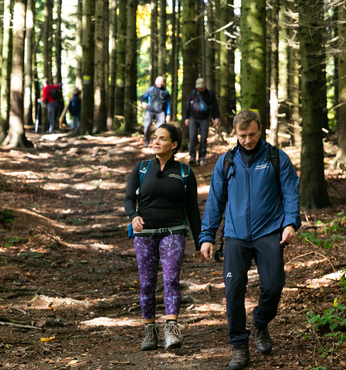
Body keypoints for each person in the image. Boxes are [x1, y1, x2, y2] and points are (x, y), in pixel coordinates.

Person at [198, 109, 300, 370]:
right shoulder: (226, 162)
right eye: (242, 135)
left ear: (261, 129)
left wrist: (290, 223)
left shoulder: (277, 157)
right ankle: (239, 347)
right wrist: (207, 237)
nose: (247, 140)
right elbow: (215, 202)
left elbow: (290, 193)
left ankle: (260, 323)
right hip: (235, 237)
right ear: (235, 133)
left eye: (252, 134)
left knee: (274, 286)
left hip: (269, 233)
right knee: (233, 292)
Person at [124, 124, 201, 351]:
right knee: (147, 283)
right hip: (144, 235)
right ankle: (150, 330)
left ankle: (171, 329)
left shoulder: (185, 172)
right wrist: (133, 216)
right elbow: (129, 199)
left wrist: (200, 241)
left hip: (174, 233)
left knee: (170, 280)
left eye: (162, 139)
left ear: (174, 145)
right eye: (155, 137)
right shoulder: (141, 168)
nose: (156, 142)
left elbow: (192, 210)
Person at [184, 78, 220, 166]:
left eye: (201, 87)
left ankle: (202, 158)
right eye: (198, 87)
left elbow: (215, 106)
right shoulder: (193, 93)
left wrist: (216, 118)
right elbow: (187, 105)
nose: (199, 89)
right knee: (192, 137)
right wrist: (186, 118)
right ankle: (192, 157)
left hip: (204, 119)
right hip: (193, 118)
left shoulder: (210, 94)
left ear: (204, 85)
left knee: (203, 138)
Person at [139, 76, 172, 147]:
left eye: (161, 82)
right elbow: (142, 97)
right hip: (150, 111)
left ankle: (158, 144)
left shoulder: (165, 92)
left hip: (161, 112)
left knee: (160, 128)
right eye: (159, 81)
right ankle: (146, 142)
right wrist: (143, 103)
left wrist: (168, 114)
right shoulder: (150, 90)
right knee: (146, 126)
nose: (160, 83)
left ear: (163, 83)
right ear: (155, 82)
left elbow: (168, 104)